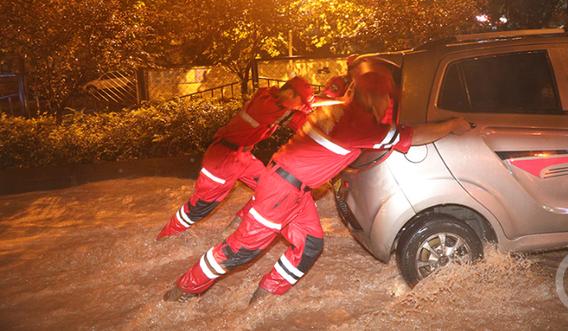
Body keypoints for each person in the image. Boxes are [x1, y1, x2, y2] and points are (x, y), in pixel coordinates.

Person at [162, 68, 472, 303]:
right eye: (385, 98)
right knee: (238, 252)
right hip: (281, 192)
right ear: (377, 98)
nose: (386, 104)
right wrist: (451, 125)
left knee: (309, 246)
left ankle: (265, 299)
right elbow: (411, 135)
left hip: (292, 189)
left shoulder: (336, 110)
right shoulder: (357, 124)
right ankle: (181, 291)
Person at [156, 76, 314, 240]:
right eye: (301, 103)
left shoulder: (272, 98)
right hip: (222, 159)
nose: (302, 107)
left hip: (242, 156)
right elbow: (297, 120)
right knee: (200, 207)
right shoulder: (268, 106)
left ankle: (236, 225)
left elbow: (298, 114)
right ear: (289, 94)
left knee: (270, 186)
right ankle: (166, 237)